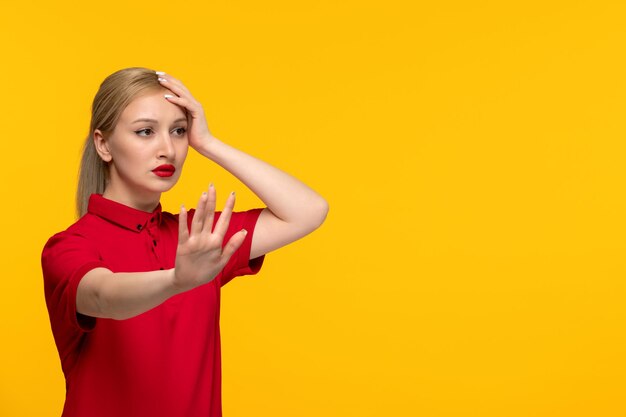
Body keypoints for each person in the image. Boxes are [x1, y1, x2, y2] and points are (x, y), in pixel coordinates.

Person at [41, 67, 329, 417]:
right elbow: (103, 295)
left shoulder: (198, 237)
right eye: (145, 131)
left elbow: (309, 211)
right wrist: (177, 280)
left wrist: (208, 143)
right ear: (103, 144)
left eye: (179, 131)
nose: (168, 149)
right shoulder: (70, 246)